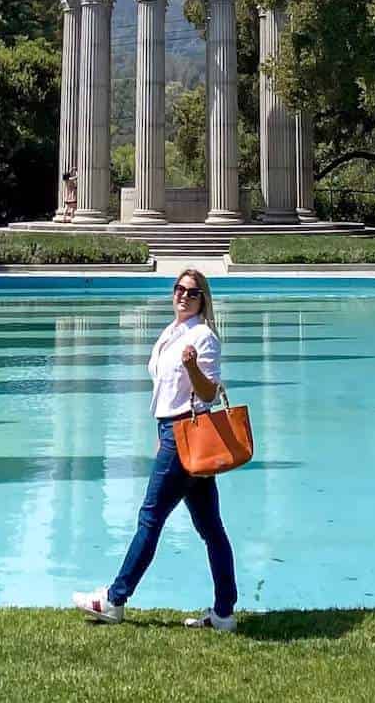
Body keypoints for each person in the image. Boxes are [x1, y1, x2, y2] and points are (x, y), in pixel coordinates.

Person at [72, 268, 238, 632]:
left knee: (151, 518)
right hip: (172, 432)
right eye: (179, 289)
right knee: (211, 528)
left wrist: (192, 366)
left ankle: (114, 599)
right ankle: (224, 613)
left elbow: (207, 394)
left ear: (203, 299)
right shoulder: (173, 331)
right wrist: (160, 431)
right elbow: (165, 391)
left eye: (192, 293)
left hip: (185, 434)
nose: (183, 296)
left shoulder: (204, 337)